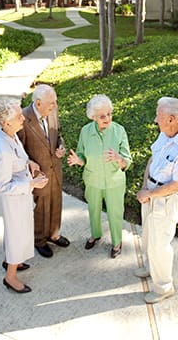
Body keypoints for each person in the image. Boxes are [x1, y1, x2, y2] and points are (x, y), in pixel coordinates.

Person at [135, 97, 178, 304]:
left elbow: (177, 184)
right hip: (151, 193)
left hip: (166, 200)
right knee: (148, 236)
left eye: (159, 116)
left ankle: (163, 287)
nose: (156, 120)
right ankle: (150, 267)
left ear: (172, 119)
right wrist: (146, 186)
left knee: (159, 244)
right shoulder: (166, 133)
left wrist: (150, 194)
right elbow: (152, 159)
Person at [0, 98, 49, 293]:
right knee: (17, 235)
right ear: (6, 122)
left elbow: (20, 156)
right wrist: (31, 183)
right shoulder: (2, 150)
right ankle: (11, 276)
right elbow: (3, 186)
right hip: (14, 201)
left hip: (21, 196)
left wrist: (29, 164)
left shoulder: (11, 135)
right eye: (18, 116)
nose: (23, 118)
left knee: (18, 232)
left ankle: (10, 260)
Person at [67, 94, 132, 258]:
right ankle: (95, 234)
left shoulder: (119, 131)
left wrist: (119, 159)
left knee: (115, 212)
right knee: (93, 209)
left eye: (109, 114)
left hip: (114, 181)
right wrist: (78, 160)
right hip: (93, 180)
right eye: (102, 116)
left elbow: (127, 161)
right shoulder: (85, 131)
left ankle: (117, 242)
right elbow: (82, 155)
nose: (107, 118)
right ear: (93, 117)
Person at [17, 84, 70, 258]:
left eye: (55, 102)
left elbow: (58, 134)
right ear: (38, 103)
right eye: (51, 103)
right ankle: (39, 240)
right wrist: (30, 163)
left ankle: (54, 234)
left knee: (56, 200)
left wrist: (60, 146)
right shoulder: (23, 118)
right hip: (38, 173)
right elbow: (18, 149)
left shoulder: (53, 111)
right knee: (41, 205)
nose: (55, 105)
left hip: (55, 168)